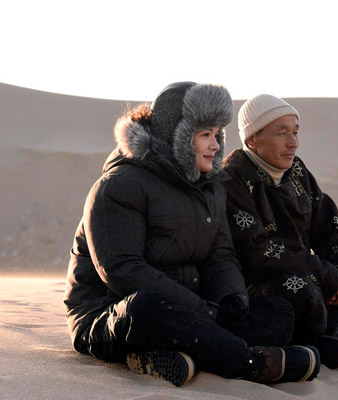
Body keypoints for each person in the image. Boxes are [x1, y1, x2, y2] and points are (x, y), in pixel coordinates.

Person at [63, 82, 320, 387]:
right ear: (178, 136)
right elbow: (121, 270)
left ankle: (174, 356)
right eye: (204, 135)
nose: (215, 145)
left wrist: (230, 303)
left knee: (275, 311)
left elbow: (220, 255)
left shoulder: (210, 188)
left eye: (217, 134)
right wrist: (203, 311)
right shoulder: (118, 186)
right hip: (111, 313)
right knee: (148, 308)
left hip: (194, 310)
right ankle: (251, 362)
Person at [222, 94, 338, 369]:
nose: (293, 143)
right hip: (270, 288)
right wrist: (327, 277)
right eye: (282, 133)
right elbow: (260, 253)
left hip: (317, 279)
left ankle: (337, 335)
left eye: (295, 132)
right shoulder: (233, 181)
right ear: (253, 138)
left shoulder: (298, 172)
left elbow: (336, 229)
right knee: (303, 293)